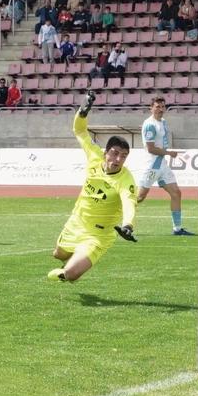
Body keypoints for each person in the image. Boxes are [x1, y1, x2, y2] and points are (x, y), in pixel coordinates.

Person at [46, 93, 137, 283]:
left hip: (99, 234)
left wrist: (128, 225)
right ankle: (69, 261)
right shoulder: (95, 155)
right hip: (77, 222)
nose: (118, 159)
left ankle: (67, 271)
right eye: (115, 153)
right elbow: (79, 131)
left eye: (123, 156)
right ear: (106, 153)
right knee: (58, 254)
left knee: (70, 275)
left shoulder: (125, 179)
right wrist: (82, 111)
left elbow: (130, 203)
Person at [136, 95, 191, 235]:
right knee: (140, 197)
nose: (160, 109)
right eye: (157, 107)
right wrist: (168, 153)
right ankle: (115, 218)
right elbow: (150, 148)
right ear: (151, 108)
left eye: (162, 106)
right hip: (153, 165)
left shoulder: (164, 122)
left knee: (176, 193)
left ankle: (177, 229)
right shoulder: (150, 125)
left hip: (162, 165)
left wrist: (166, 154)